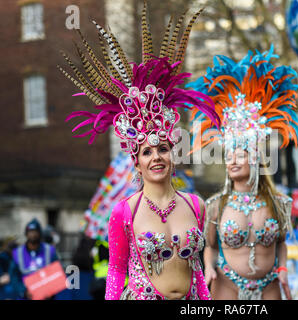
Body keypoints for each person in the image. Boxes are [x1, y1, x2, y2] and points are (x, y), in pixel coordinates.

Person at [61, 3, 220, 300]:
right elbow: (115, 270)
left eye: (162, 148)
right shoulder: (124, 210)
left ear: (173, 153)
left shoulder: (197, 205)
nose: (156, 157)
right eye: (146, 152)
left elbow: (196, 270)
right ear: (136, 162)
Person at [188, 46, 298, 299]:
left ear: (256, 159)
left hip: (270, 286)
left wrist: (282, 268)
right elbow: (210, 246)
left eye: (239, 155)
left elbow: (281, 242)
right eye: (229, 156)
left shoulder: (278, 202)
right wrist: (209, 267)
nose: (232, 161)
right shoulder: (216, 205)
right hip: (227, 286)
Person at [12, 218, 59, 299]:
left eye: (35, 231)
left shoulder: (49, 250)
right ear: (26, 234)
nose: (33, 234)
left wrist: (48, 291)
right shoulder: (18, 252)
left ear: (40, 233)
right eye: (30, 232)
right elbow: (14, 276)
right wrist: (23, 291)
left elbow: (57, 273)